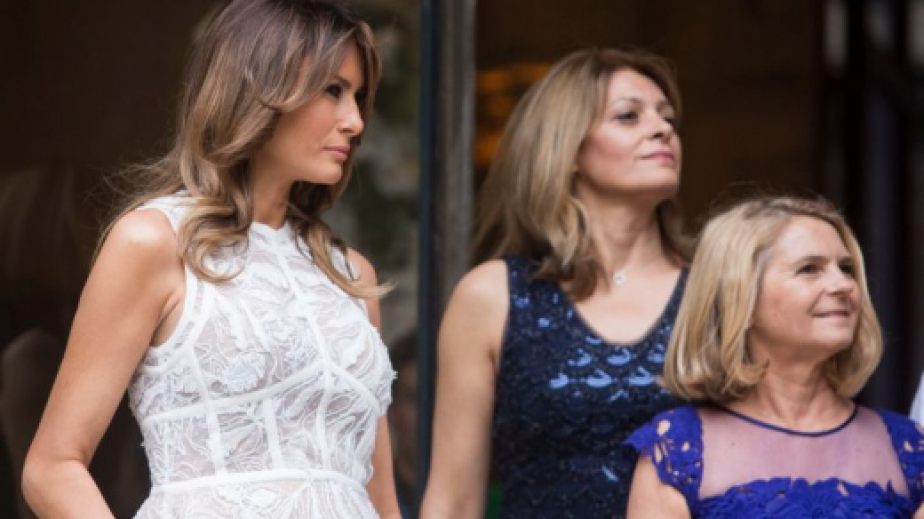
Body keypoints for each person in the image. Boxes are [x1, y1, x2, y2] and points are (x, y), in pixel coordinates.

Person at [21, 1, 401, 518]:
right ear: (258, 88)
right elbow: (52, 466)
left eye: (358, 97)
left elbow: (380, 501)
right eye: (333, 90)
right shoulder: (154, 242)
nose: (355, 122)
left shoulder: (352, 276)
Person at [421, 48, 691, 518]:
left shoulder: (716, 288)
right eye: (629, 116)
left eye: (667, 117)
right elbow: (454, 501)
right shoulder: (492, 296)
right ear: (568, 150)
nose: (661, 128)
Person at [626, 196, 924, 518]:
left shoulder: (911, 448)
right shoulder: (676, 452)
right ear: (740, 299)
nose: (843, 285)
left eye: (846, 269)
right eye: (809, 269)